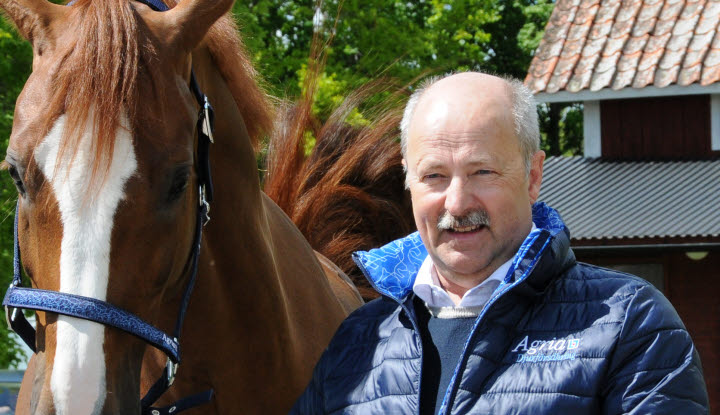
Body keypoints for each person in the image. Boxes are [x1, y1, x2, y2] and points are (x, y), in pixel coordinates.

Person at [290, 72, 709, 414]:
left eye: (483, 172)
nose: (456, 202)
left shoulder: (627, 324)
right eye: (434, 175)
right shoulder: (358, 341)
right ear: (408, 180)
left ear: (533, 176)